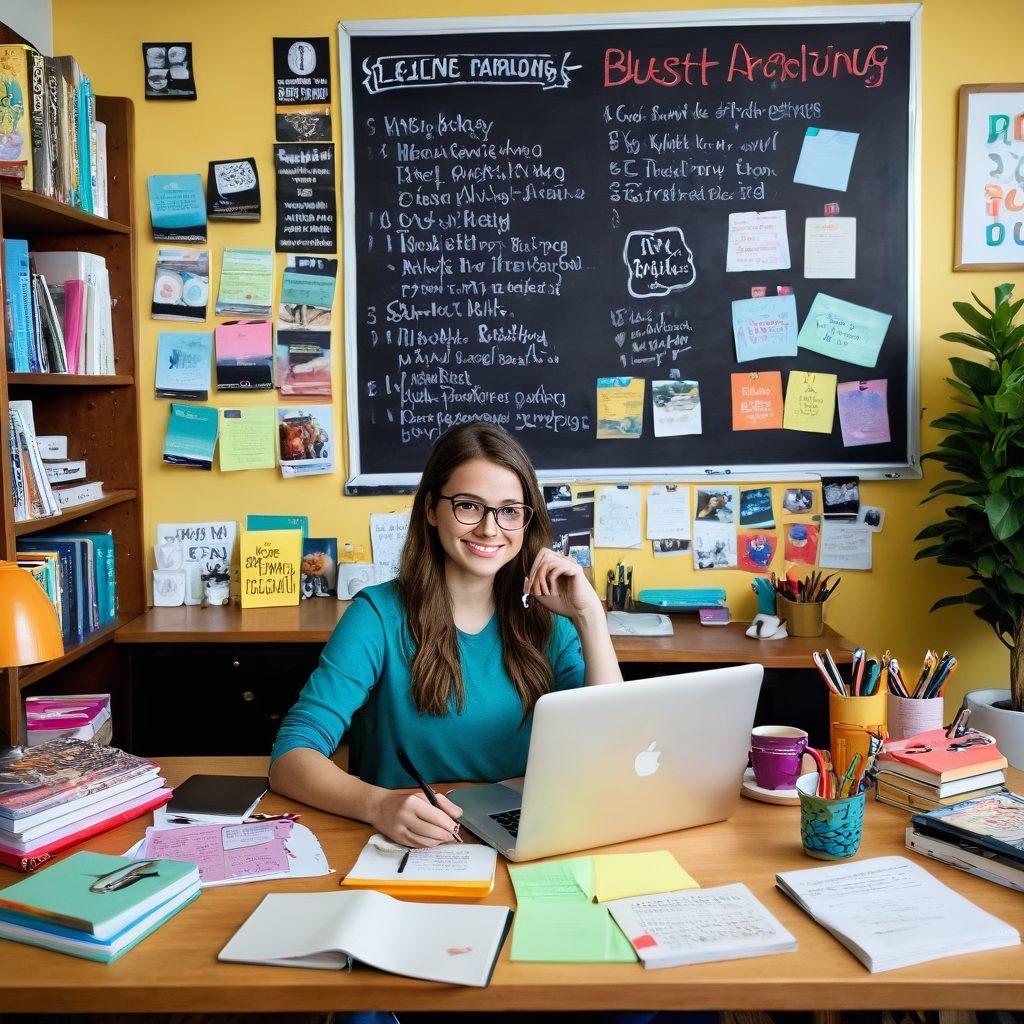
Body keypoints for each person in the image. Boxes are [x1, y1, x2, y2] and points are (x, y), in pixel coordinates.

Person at [269, 420, 623, 848]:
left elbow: (606, 753)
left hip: (532, 832)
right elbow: (290, 758)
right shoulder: (377, 616)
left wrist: (589, 617)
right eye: (469, 506)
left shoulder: (550, 619)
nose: (490, 529)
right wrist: (378, 804)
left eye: (510, 510)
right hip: (417, 843)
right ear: (432, 511)